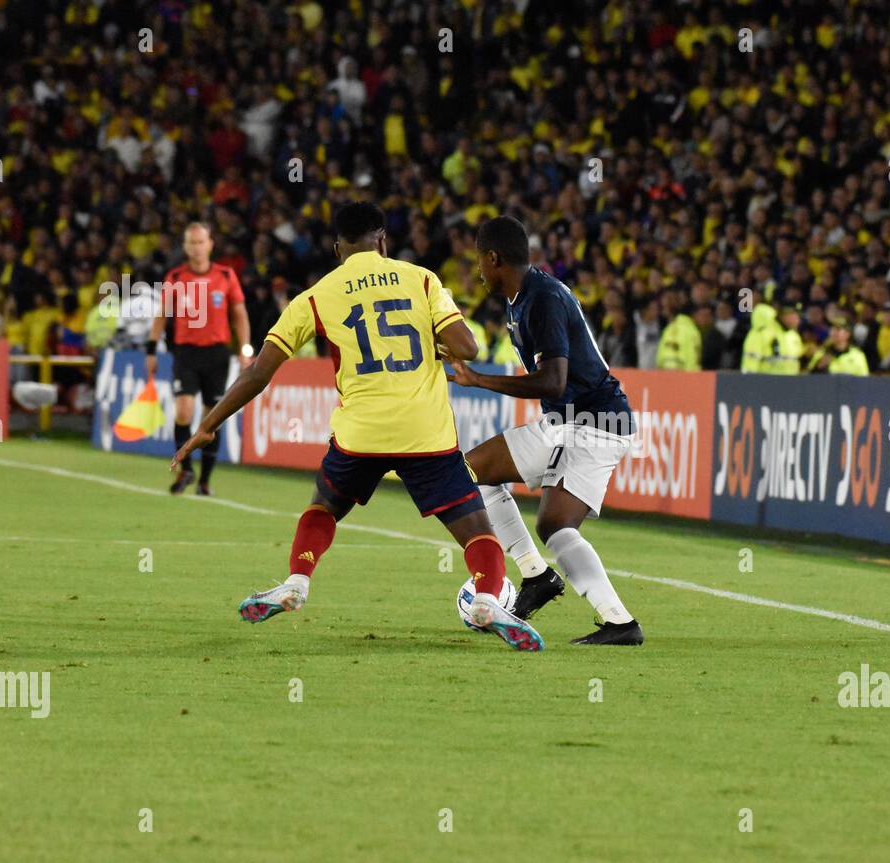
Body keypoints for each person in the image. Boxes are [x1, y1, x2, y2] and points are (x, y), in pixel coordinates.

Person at [171, 202, 543, 652]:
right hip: (425, 433)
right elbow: (467, 344)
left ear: (337, 248)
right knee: (477, 529)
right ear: (382, 240)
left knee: (324, 506)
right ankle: (487, 597)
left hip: (359, 434)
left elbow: (258, 373)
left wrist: (208, 425)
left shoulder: (316, 295)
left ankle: (297, 580)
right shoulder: (421, 278)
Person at [445, 216, 644, 646]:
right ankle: (536, 575)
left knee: (555, 524)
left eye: (480, 261)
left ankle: (621, 623)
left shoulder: (544, 298)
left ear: (494, 258)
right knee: (469, 473)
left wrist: (479, 380)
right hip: (565, 422)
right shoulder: (522, 297)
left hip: (597, 422)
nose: (478, 271)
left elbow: (553, 381)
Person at [146, 222, 252, 496]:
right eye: (191, 243)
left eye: (200, 242)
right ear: (185, 246)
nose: (196, 247)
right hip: (186, 353)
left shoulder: (226, 276)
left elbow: (239, 314)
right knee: (183, 410)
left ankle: (205, 481)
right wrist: (150, 349)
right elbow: (162, 314)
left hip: (216, 354)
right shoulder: (176, 277)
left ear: (210, 244)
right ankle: (186, 469)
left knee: (211, 418)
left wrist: (245, 348)